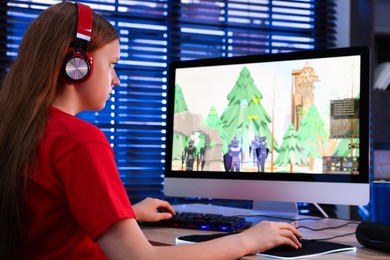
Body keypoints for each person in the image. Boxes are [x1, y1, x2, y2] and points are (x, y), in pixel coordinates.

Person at [0, 2, 302, 259]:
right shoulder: (79, 140)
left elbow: (50, 221)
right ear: (78, 64)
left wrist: (125, 214)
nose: (116, 80)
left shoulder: (24, 128)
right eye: (112, 64)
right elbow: (141, 258)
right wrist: (249, 239)